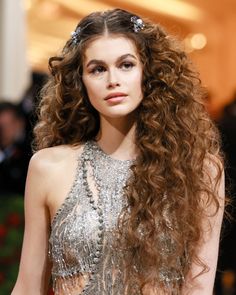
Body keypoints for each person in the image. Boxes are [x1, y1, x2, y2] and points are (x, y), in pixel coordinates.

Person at [11, 8, 225, 295]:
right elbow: (27, 287)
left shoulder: (199, 169)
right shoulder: (47, 167)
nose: (113, 80)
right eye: (97, 69)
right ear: (80, 81)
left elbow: (199, 288)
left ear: (148, 71)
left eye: (126, 64)